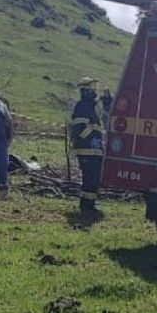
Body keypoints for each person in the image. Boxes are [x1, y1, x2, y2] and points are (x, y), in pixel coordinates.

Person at [70, 77, 105, 213]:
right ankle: (87, 206)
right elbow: (79, 127)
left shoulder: (91, 105)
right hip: (86, 149)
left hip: (94, 149)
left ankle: (88, 203)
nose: (95, 90)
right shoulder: (82, 105)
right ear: (86, 90)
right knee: (89, 178)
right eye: (92, 87)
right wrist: (91, 139)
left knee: (93, 178)